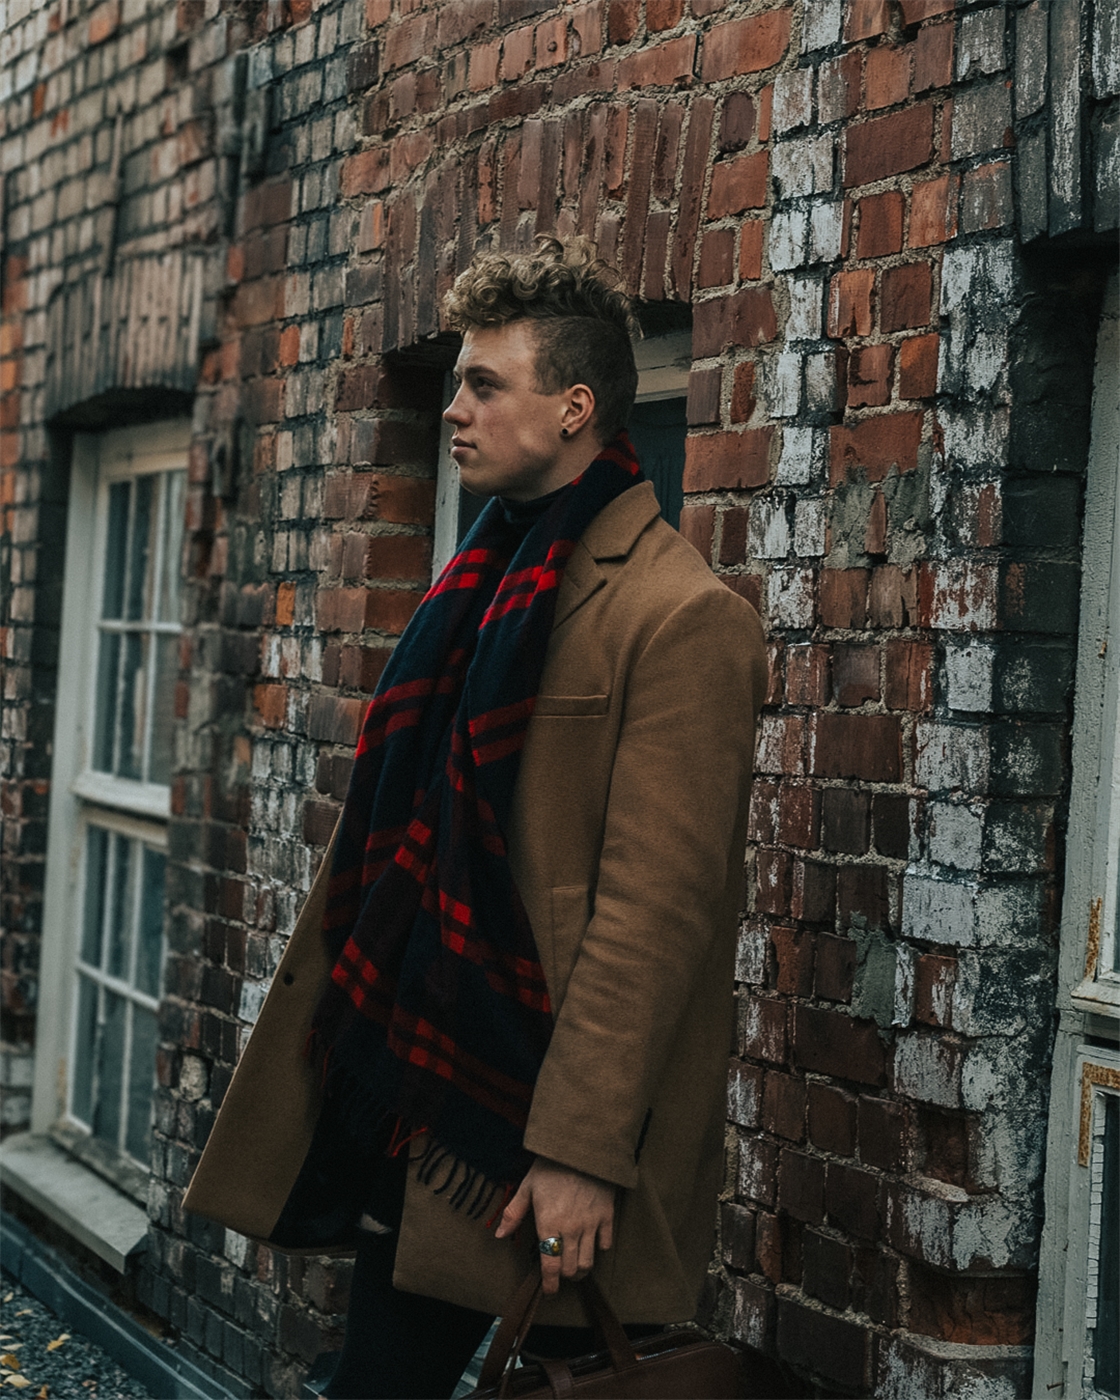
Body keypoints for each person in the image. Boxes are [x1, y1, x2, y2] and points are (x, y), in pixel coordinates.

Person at [184, 237, 768, 1398]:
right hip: (426, 1093)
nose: (453, 408)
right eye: (456, 382)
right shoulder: (479, 580)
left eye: (484, 384)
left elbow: (653, 917)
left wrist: (580, 1152)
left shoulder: (681, 615)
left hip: (540, 1131)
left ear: (574, 407)